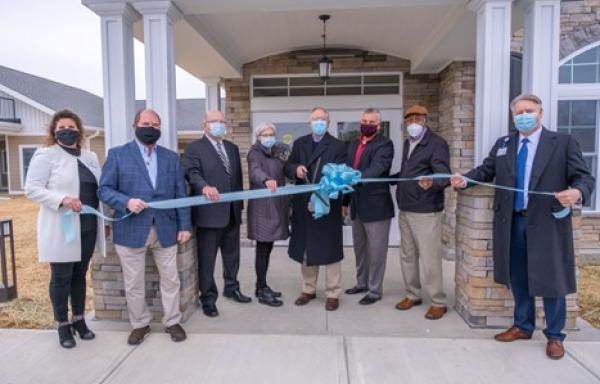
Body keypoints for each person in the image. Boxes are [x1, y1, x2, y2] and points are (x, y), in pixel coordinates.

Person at [450, 94, 595, 359]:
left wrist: (577, 192)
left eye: (529, 110)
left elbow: (584, 177)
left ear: (540, 113)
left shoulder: (562, 142)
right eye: (519, 112)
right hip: (513, 221)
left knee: (552, 279)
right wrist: (465, 180)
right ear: (513, 116)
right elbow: (486, 170)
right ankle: (522, 325)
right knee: (519, 277)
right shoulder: (505, 144)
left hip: (548, 223)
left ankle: (555, 335)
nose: (523, 115)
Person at [98, 109, 192, 345]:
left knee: (171, 280)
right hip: (130, 229)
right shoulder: (118, 155)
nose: (150, 127)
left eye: (155, 124)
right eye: (145, 123)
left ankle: (172, 321)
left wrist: (185, 226)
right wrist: (126, 202)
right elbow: (104, 190)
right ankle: (140, 324)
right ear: (135, 125)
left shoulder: (171, 157)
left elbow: (181, 194)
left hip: (166, 229)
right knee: (134, 283)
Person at [25, 109, 105, 348]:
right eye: (62, 128)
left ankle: (79, 320)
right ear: (54, 131)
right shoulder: (46, 155)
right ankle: (62, 325)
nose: (67, 131)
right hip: (63, 225)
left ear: (79, 130)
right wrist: (62, 200)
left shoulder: (90, 157)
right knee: (61, 277)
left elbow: (96, 191)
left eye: (71, 128)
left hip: (89, 225)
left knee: (79, 275)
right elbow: (32, 188)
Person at [182, 110, 250, 318]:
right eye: (214, 121)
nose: (219, 124)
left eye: (222, 121)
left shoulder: (232, 148)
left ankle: (232, 287)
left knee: (232, 256)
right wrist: (204, 187)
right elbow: (191, 173)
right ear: (205, 125)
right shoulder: (194, 148)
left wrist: (239, 206)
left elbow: (236, 180)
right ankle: (208, 299)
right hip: (209, 215)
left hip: (232, 212)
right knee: (207, 260)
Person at [283, 106, 347, 311]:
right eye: (315, 119)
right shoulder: (300, 143)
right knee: (306, 248)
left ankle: (333, 292)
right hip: (304, 204)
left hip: (328, 204)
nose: (319, 122)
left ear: (328, 123)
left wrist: (341, 200)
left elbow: (342, 174)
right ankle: (308, 289)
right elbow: (288, 166)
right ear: (309, 122)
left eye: (323, 119)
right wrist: (296, 170)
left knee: (331, 249)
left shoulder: (338, 146)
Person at [394, 105, 451, 320]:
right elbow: (409, 173)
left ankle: (438, 301)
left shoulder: (437, 144)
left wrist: (432, 182)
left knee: (429, 257)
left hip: (426, 210)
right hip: (406, 208)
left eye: (417, 118)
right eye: (409, 119)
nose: (413, 123)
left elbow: (444, 175)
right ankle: (413, 294)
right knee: (407, 255)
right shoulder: (408, 143)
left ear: (425, 120)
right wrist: (393, 178)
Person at [343, 108, 394, 305]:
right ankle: (361, 282)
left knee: (377, 251)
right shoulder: (354, 144)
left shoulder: (385, 144)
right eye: (364, 120)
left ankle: (374, 290)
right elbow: (348, 171)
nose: (366, 124)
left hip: (376, 206)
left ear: (378, 126)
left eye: (371, 121)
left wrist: (356, 177)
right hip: (356, 205)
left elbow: (377, 168)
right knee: (360, 249)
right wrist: (345, 201)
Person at [247, 122, 290, 307]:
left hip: (276, 206)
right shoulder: (254, 153)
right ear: (258, 137)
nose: (269, 137)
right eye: (265, 134)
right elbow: (255, 171)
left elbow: (285, 169)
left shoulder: (278, 152)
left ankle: (261, 286)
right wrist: (266, 179)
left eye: (271, 134)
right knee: (263, 248)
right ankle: (262, 290)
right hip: (262, 209)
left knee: (268, 247)